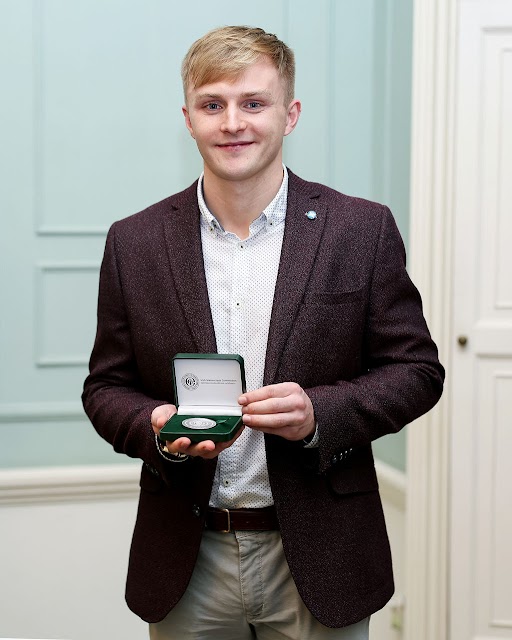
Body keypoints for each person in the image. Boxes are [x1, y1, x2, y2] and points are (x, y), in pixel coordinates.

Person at [82, 25, 444, 640]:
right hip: (186, 554)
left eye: (253, 103)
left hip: (323, 553)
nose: (233, 123)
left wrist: (319, 413)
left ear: (289, 114)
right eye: (212, 105)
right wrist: (155, 425)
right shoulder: (133, 241)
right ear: (188, 119)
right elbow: (105, 387)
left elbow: (417, 372)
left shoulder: (361, 229)